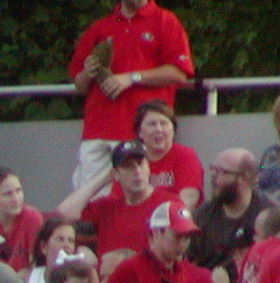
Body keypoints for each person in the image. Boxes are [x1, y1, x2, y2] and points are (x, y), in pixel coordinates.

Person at [67, 0, 193, 189]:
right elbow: (80, 84)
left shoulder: (165, 21)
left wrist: (132, 77)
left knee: (137, 195)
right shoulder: (101, 27)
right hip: (97, 131)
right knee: (90, 198)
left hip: (141, 132)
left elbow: (178, 73)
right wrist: (87, 73)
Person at [59, 141, 179, 259]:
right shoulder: (107, 206)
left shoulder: (168, 203)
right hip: (110, 271)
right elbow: (65, 212)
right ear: (115, 173)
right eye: (128, 166)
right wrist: (104, 178)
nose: (137, 171)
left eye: (140, 163)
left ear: (148, 167)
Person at [189, 149, 268, 272]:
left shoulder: (267, 214)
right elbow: (188, 262)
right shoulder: (201, 214)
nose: (213, 176)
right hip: (206, 280)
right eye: (213, 169)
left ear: (243, 178)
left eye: (222, 172)